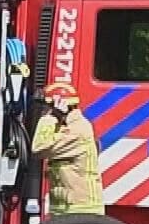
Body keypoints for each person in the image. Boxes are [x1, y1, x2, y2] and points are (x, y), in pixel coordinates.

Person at [34, 82, 103, 216]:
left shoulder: (76, 130)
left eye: (46, 107)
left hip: (81, 209)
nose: (43, 113)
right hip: (66, 209)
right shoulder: (63, 127)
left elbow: (39, 147)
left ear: (61, 107)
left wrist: (52, 117)